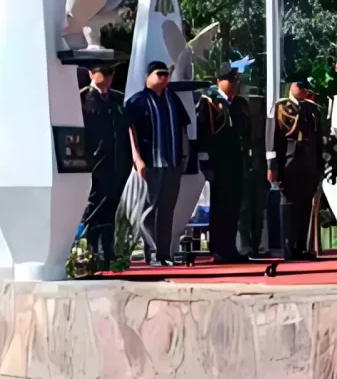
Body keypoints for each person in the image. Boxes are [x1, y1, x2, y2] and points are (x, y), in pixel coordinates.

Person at [123, 61, 191, 266]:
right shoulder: (138, 101)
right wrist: (137, 158)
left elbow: (183, 129)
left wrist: (185, 155)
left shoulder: (173, 100)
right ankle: (152, 254)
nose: (163, 78)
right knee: (150, 209)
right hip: (151, 163)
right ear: (148, 76)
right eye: (158, 74)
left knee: (167, 209)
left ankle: (164, 254)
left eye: (166, 74)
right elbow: (130, 130)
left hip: (172, 162)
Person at [195, 69, 251, 264]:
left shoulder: (240, 104)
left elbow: (246, 133)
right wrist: (205, 161)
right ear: (219, 81)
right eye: (230, 81)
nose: (234, 84)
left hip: (236, 160)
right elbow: (202, 133)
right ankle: (218, 249)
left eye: (236, 81)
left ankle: (230, 247)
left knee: (233, 206)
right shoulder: (208, 102)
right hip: (218, 161)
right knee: (220, 207)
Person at [78, 63, 128, 270]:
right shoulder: (82, 98)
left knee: (111, 207)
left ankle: (108, 251)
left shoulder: (117, 99)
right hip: (94, 163)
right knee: (95, 207)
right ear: (92, 73)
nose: (108, 77)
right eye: (104, 73)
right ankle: (92, 251)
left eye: (111, 73)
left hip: (116, 162)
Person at [268, 79, 324, 260]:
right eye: (301, 87)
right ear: (292, 87)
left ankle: (301, 247)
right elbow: (273, 138)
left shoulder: (312, 108)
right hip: (289, 163)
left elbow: (318, 138)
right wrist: (272, 166)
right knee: (289, 206)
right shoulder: (281, 107)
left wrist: (320, 165)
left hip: (309, 164)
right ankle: (289, 247)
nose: (304, 91)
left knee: (305, 207)